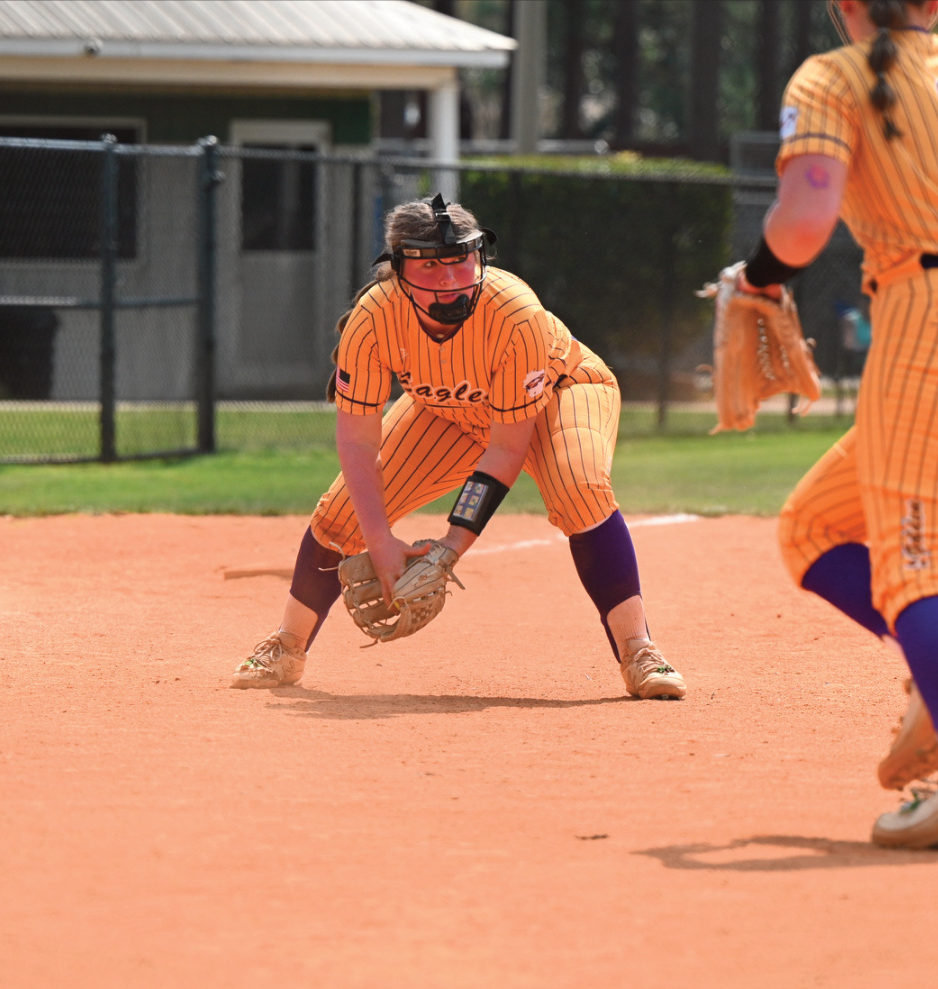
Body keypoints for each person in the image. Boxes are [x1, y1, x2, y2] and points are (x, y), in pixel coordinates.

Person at [230, 193, 687, 702]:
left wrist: (449, 549)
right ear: (399, 268)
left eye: (459, 260)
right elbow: (358, 441)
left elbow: (506, 449)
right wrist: (379, 541)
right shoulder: (374, 318)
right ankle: (286, 644)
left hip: (561, 393)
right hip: (445, 410)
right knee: (342, 516)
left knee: (580, 491)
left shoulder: (515, 315)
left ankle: (639, 651)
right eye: (430, 265)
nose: (449, 278)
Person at [734, 1, 938, 848]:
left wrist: (755, 281)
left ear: (843, 7)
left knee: (906, 564)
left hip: (922, 316)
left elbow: (805, 217)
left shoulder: (835, 75)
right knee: (815, 524)